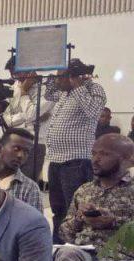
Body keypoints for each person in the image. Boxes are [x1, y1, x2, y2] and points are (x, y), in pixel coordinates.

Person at [54, 133, 134, 261]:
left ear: (126, 159)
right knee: (65, 258)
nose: (95, 159)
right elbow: (64, 234)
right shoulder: (84, 190)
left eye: (104, 154)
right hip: (81, 258)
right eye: (93, 153)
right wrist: (79, 218)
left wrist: (113, 223)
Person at [45, 58, 107, 242]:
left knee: (75, 210)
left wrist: (78, 86)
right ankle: (57, 245)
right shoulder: (65, 92)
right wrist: (52, 75)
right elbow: (48, 94)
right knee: (57, 209)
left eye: (61, 77)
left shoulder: (94, 89)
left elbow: (93, 112)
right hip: (56, 160)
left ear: (73, 77)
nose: (57, 81)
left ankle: (75, 248)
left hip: (76, 161)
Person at [4, 57, 54, 182]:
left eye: (17, 72)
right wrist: (26, 116)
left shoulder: (47, 89)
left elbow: (31, 114)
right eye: (13, 74)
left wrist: (23, 92)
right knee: (9, 183)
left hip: (34, 144)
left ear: (30, 70)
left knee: (27, 184)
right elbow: (6, 118)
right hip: (14, 141)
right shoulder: (16, 86)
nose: (16, 77)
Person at [0, 128, 43, 212]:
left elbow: (35, 220)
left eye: (26, 152)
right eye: (16, 149)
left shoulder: (30, 189)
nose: (20, 155)